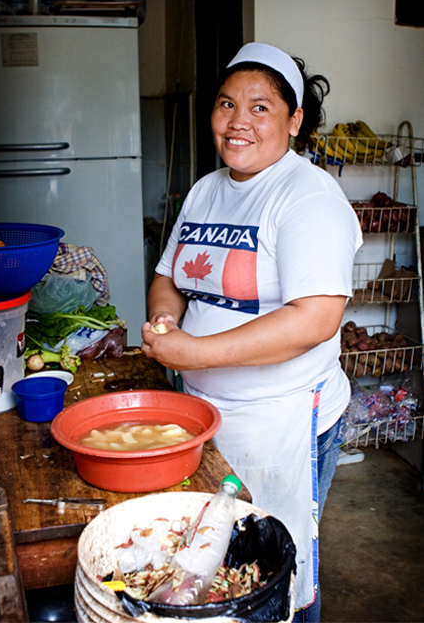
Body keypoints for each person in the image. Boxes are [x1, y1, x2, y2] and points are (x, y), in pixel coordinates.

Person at [140, 43, 362, 623]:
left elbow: (315, 320)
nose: (238, 121)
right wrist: (166, 321)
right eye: (226, 104)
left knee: (275, 579)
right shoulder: (206, 190)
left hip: (284, 420)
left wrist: (194, 350)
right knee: (213, 566)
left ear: (294, 121)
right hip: (205, 413)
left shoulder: (309, 197)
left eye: (260, 107)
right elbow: (168, 277)